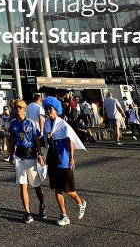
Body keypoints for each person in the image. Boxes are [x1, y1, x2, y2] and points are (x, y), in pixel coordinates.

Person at [42, 96, 87, 226]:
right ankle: (64, 215)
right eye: (46, 108)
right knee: (56, 188)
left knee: (68, 189)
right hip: (52, 157)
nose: (48, 110)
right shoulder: (47, 123)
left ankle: (80, 202)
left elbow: (70, 140)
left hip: (64, 158)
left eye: (50, 108)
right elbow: (46, 141)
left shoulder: (62, 124)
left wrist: (72, 158)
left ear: (56, 109)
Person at [8, 99, 45, 223]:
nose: (17, 109)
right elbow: (12, 140)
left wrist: (39, 154)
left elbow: (37, 139)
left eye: (20, 107)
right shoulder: (12, 123)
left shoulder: (31, 123)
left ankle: (42, 204)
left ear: (24, 109)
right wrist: (10, 154)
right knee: (23, 186)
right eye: (16, 107)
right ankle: (28, 213)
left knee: (36, 186)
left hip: (31, 156)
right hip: (19, 157)